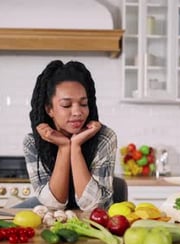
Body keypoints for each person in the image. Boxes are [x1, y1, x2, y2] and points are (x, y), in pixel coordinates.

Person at [14, 60, 117, 211]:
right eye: (66, 105)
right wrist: (64, 147)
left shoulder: (105, 137)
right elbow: (53, 204)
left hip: (96, 222)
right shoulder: (32, 143)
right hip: (53, 222)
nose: (77, 112)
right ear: (50, 109)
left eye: (83, 104)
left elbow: (93, 206)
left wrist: (75, 147)